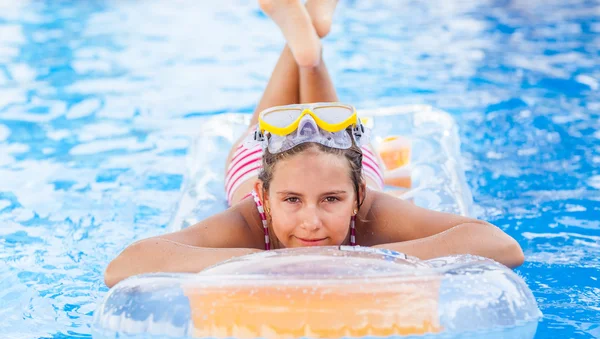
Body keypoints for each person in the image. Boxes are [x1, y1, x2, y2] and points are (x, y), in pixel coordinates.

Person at [104, 0, 524, 288]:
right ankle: (310, 43)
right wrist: (268, 263)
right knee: (274, 131)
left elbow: (502, 246)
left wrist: (356, 260)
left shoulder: (372, 211)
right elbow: (124, 267)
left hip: (344, 162)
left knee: (324, 137)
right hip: (258, 157)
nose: (311, 222)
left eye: (331, 201)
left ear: (358, 196)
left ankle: (306, 41)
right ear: (263, 199)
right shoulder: (249, 221)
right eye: (290, 201)